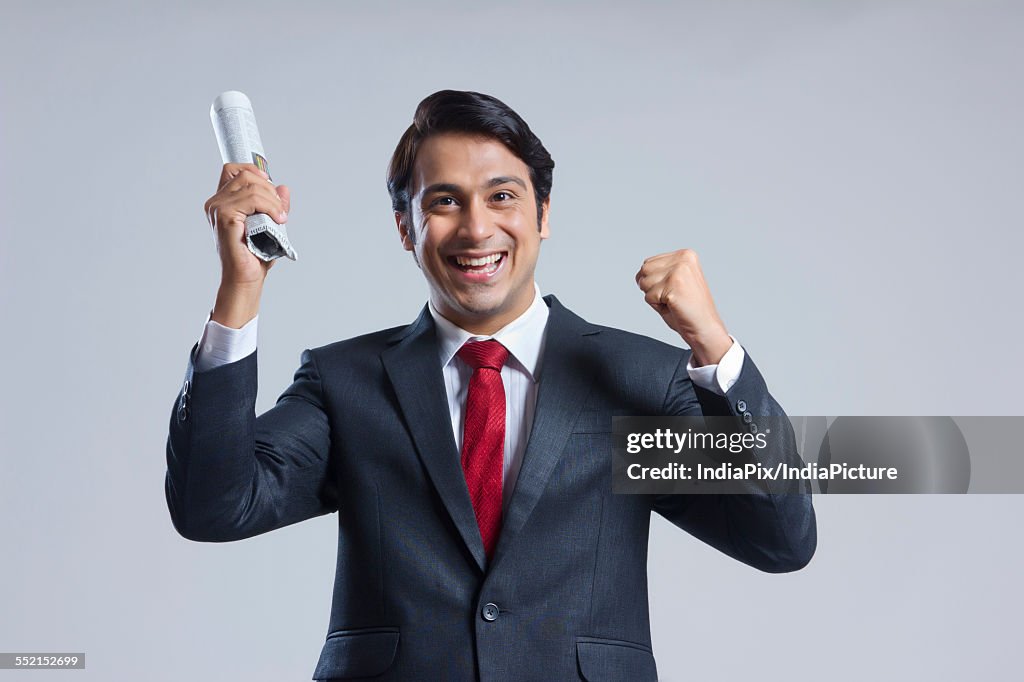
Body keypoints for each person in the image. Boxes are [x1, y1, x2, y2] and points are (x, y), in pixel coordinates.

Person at [166, 89, 816, 681]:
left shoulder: (637, 378)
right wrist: (239, 291)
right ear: (405, 228)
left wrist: (714, 346)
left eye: (502, 196)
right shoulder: (345, 383)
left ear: (543, 215)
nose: (477, 228)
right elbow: (213, 507)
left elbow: (779, 539)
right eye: (444, 201)